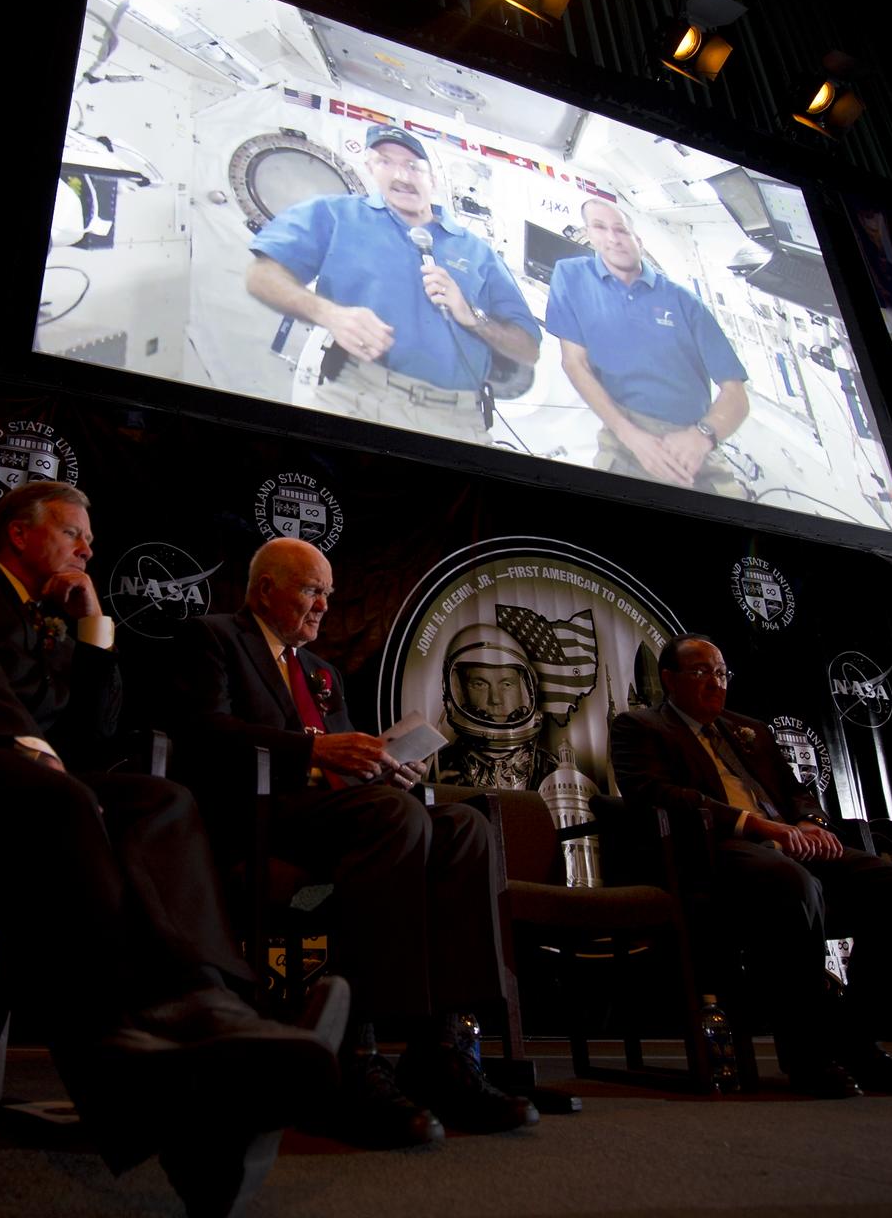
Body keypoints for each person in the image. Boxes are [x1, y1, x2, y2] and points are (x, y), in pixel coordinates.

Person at [0, 482, 349, 1209]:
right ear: (19, 532)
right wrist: (32, 747)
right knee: (69, 797)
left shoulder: (60, 619)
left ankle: (209, 1013)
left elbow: (97, 735)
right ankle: (169, 1041)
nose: (89, 548)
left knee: (163, 799)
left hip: (45, 784)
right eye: (75, 532)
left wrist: (95, 627)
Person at [172, 537, 539, 1148]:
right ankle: (353, 1051)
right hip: (259, 815)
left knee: (463, 826)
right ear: (266, 589)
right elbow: (204, 733)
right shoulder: (213, 637)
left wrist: (385, 764)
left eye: (329, 595)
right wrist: (317, 750)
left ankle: (441, 1048)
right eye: (312, 590)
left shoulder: (322, 672)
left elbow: (347, 762)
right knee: (396, 820)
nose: (323, 606)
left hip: (340, 813)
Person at [610, 633, 892, 1098]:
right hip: (717, 850)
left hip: (790, 842)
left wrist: (807, 822)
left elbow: (798, 791)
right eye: (702, 671)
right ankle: (808, 1057)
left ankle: (860, 1040)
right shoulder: (641, 727)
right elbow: (657, 796)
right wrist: (758, 826)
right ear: (669, 679)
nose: (716, 681)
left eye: (722, 672)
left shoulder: (750, 730)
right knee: (792, 885)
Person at [246, 123, 540, 443]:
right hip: (357, 396)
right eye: (386, 162)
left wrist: (473, 317)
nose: (401, 176)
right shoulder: (334, 215)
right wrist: (329, 314)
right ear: (370, 167)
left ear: (433, 179)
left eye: (414, 166)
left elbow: (528, 349)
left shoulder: (479, 252)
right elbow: (261, 275)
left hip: (457, 420)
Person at [545, 199, 750, 497]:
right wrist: (628, 434)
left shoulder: (684, 302)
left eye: (622, 230)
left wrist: (701, 436)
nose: (613, 239)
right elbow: (574, 363)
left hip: (693, 442)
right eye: (600, 228)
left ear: (638, 240)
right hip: (625, 435)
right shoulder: (571, 276)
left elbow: (736, 395)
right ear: (589, 233)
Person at [433, 622, 557, 790]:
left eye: (506, 684)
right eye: (480, 684)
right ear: (457, 691)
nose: (496, 699)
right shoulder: (438, 768)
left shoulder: (551, 770)